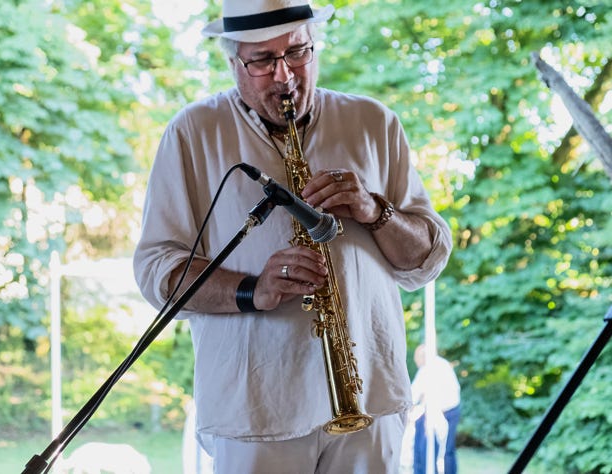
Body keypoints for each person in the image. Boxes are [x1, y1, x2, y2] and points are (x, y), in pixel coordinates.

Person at [133, 1, 452, 473]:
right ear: (233, 62)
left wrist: (374, 210)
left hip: (372, 397)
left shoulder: (373, 122)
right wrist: (251, 289)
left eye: (298, 52)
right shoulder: (193, 132)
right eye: (263, 60)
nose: (285, 76)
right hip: (256, 409)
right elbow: (157, 271)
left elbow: (427, 258)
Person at [410, 344, 461, 474]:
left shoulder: (427, 368)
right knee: (447, 450)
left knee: (432, 448)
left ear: (422, 357)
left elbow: (414, 394)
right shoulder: (442, 364)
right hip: (450, 410)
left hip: (444, 411)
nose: (417, 364)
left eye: (417, 361)